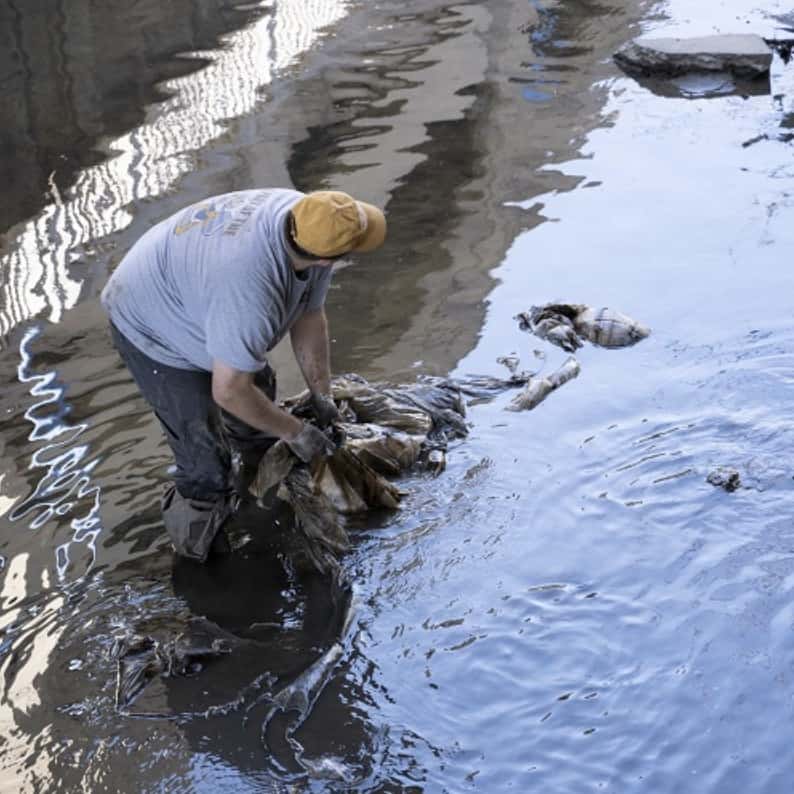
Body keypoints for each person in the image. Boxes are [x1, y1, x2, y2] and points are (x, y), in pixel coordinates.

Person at [101, 188, 387, 562]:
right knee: (204, 462)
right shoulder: (249, 289)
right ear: (323, 259)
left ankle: (259, 490)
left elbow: (309, 316)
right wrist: (295, 432)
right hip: (150, 322)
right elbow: (229, 391)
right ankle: (203, 567)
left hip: (198, 290)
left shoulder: (309, 220)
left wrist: (323, 396)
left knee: (258, 404)